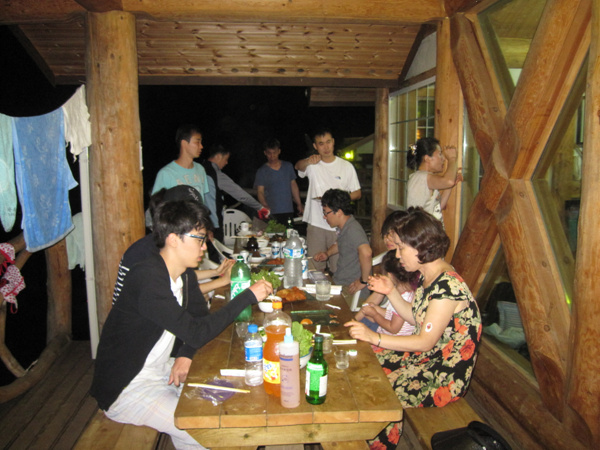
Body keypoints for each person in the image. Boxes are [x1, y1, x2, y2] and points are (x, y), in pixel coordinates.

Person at [91, 198, 273, 449]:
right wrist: (247, 296)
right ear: (173, 239)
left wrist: (186, 354)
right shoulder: (147, 278)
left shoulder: (183, 273)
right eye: (199, 239)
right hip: (127, 388)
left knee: (231, 394)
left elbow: (199, 319)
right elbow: (197, 332)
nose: (204, 246)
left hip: (161, 371)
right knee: (208, 428)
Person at [344, 207, 482, 450]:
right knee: (363, 360)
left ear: (421, 246)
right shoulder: (429, 276)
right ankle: (353, 431)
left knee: (381, 389)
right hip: (426, 358)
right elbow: (415, 316)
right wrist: (391, 292)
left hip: (442, 374)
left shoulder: (447, 287)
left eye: (401, 248)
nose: (397, 255)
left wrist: (374, 336)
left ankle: (376, 444)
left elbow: (424, 341)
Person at [295, 127, 361, 272]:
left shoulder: (346, 166)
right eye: (321, 143)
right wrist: (308, 161)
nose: (326, 147)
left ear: (333, 142)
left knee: (339, 267)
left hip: (339, 224)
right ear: (315, 146)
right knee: (314, 266)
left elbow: (357, 193)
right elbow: (298, 166)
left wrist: (338, 199)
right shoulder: (312, 166)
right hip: (316, 222)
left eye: (328, 142)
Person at [201, 144, 269, 240]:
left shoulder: (200, 168)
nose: (226, 163)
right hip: (213, 225)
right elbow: (239, 193)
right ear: (219, 156)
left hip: (200, 222)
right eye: (226, 159)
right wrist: (260, 207)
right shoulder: (214, 174)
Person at [313, 189, 371, 296]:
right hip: (340, 282)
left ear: (339, 212)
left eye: (326, 213)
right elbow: (341, 243)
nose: (324, 217)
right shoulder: (345, 226)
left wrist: (364, 281)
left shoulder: (353, 229)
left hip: (349, 289)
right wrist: (327, 254)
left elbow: (366, 252)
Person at [354, 250, 418, 339]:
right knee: (364, 319)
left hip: (391, 338)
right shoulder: (404, 293)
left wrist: (375, 315)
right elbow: (394, 315)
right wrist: (376, 309)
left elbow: (393, 328)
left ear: (389, 275)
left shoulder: (403, 298)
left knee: (359, 327)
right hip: (389, 333)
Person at [406, 137, 461, 224]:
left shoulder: (422, 177)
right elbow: (448, 181)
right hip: (422, 231)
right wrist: (452, 159)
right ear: (427, 158)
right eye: (439, 154)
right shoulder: (421, 177)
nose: (443, 159)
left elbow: (438, 207)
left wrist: (449, 186)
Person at [151, 124, 210, 202]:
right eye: (197, 142)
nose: (201, 146)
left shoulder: (200, 169)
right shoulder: (166, 173)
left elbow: (203, 200)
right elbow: (156, 204)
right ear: (184, 143)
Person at [254, 138, 303, 225]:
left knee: (289, 232)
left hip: (288, 210)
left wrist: (299, 204)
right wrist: (265, 205)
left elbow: (294, 186)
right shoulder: (261, 171)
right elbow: (260, 191)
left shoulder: (288, 166)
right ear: (265, 153)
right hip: (271, 212)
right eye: (269, 153)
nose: (272, 156)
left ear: (279, 151)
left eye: (274, 153)